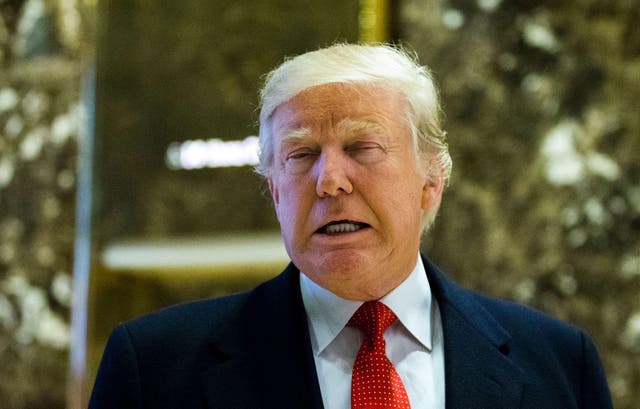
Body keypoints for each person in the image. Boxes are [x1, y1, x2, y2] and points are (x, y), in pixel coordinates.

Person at [89, 43, 613, 409]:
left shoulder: (560, 365)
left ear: (432, 181)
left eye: (362, 147)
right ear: (274, 190)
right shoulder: (155, 368)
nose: (330, 181)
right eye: (301, 154)